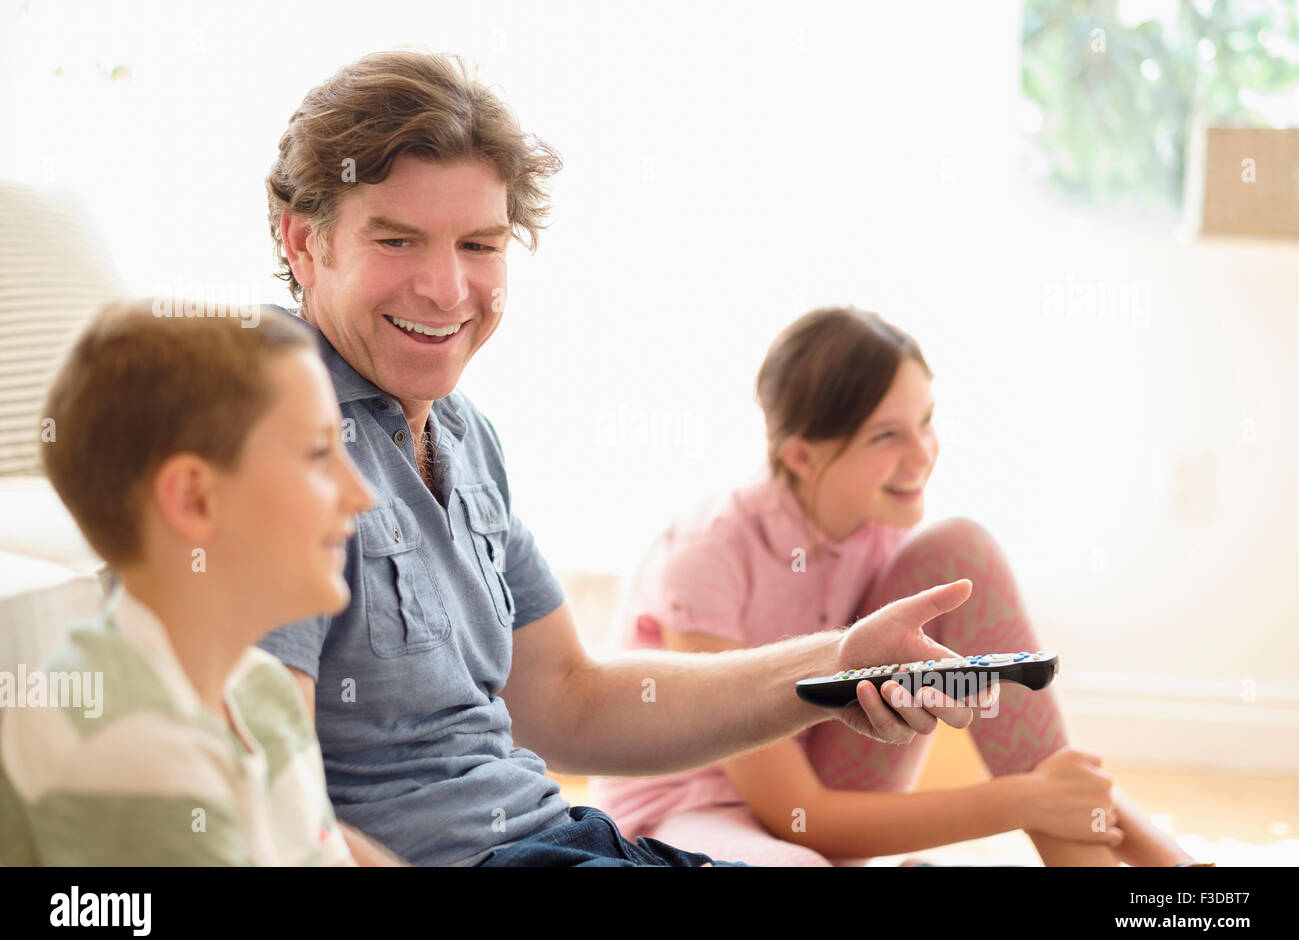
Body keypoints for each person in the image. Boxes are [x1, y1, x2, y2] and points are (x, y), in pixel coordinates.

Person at [255, 50, 988, 867]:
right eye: (397, 240)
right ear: (304, 242)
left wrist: (838, 661)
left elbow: (570, 701)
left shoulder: (463, 433)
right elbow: (256, 777)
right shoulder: (265, 428)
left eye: (479, 244)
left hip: (560, 838)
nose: (446, 287)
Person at [590, 306, 1199, 866]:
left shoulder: (880, 525)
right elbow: (796, 817)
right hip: (692, 812)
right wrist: (1023, 801)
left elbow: (1052, 777)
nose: (923, 454)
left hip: (825, 791)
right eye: (887, 436)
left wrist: (1170, 863)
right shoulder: (708, 553)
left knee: (962, 548)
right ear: (801, 456)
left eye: (926, 421)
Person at [0, 301, 401, 865]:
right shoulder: (130, 752)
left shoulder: (261, 692)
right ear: (193, 498)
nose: (363, 495)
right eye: (317, 454)